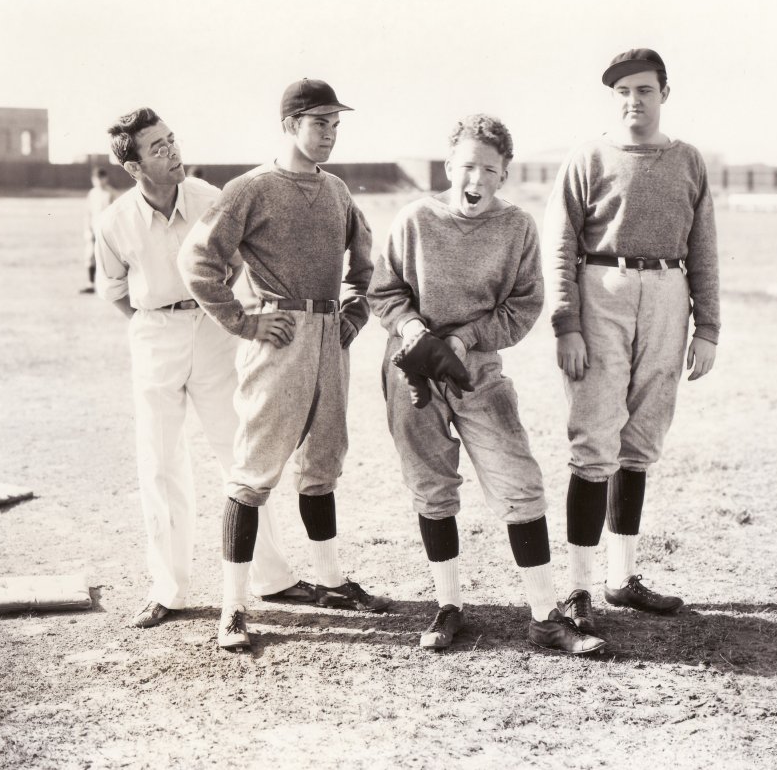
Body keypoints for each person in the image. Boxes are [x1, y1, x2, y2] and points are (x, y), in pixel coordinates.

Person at [368, 114, 607, 655]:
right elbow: (383, 292)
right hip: (413, 369)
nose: (475, 180)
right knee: (432, 485)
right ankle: (448, 606)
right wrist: (413, 329)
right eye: (467, 166)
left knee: (518, 482)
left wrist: (466, 339)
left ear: (504, 175)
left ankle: (546, 617)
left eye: (489, 170)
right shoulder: (413, 220)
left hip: (477, 369)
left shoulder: (517, 228)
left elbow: (523, 307)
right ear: (450, 165)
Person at [179, 78, 390, 651]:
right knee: (253, 473)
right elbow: (198, 260)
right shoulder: (252, 188)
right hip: (278, 335)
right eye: (319, 122)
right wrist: (245, 322)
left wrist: (353, 315)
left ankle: (329, 578)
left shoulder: (338, 191)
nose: (330, 134)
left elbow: (365, 263)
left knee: (323, 462)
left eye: (336, 125)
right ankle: (233, 608)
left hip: (329, 337)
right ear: (290, 124)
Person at [94, 108, 312, 631]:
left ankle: (272, 577)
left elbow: (235, 263)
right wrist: (160, 320)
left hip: (214, 330)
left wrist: (210, 314)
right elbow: (117, 290)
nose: (172, 152)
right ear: (133, 166)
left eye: (171, 141)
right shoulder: (115, 221)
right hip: (153, 337)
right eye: (157, 148)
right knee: (160, 463)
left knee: (241, 452)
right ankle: (169, 590)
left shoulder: (210, 199)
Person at [542, 49, 720, 630]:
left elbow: (705, 249)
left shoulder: (688, 160)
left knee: (641, 438)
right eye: (621, 91)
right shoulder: (588, 156)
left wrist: (708, 327)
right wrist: (566, 323)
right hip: (604, 288)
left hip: (669, 291)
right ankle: (577, 589)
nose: (632, 100)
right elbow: (560, 245)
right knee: (595, 438)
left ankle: (622, 579)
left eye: (643, 89)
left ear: (664, 93)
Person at [81, 168, 119, 294]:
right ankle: (90, 284)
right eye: (96, 179)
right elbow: (88, 213)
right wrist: (87, 229)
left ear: (106, 178)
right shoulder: (92, 193)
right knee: (90, 255)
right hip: (93, 230)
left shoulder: (111, 193)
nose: (99, 181)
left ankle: (108, 285)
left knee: (107, 258)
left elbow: (115, 214)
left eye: (101, 178)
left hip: (106, 231)